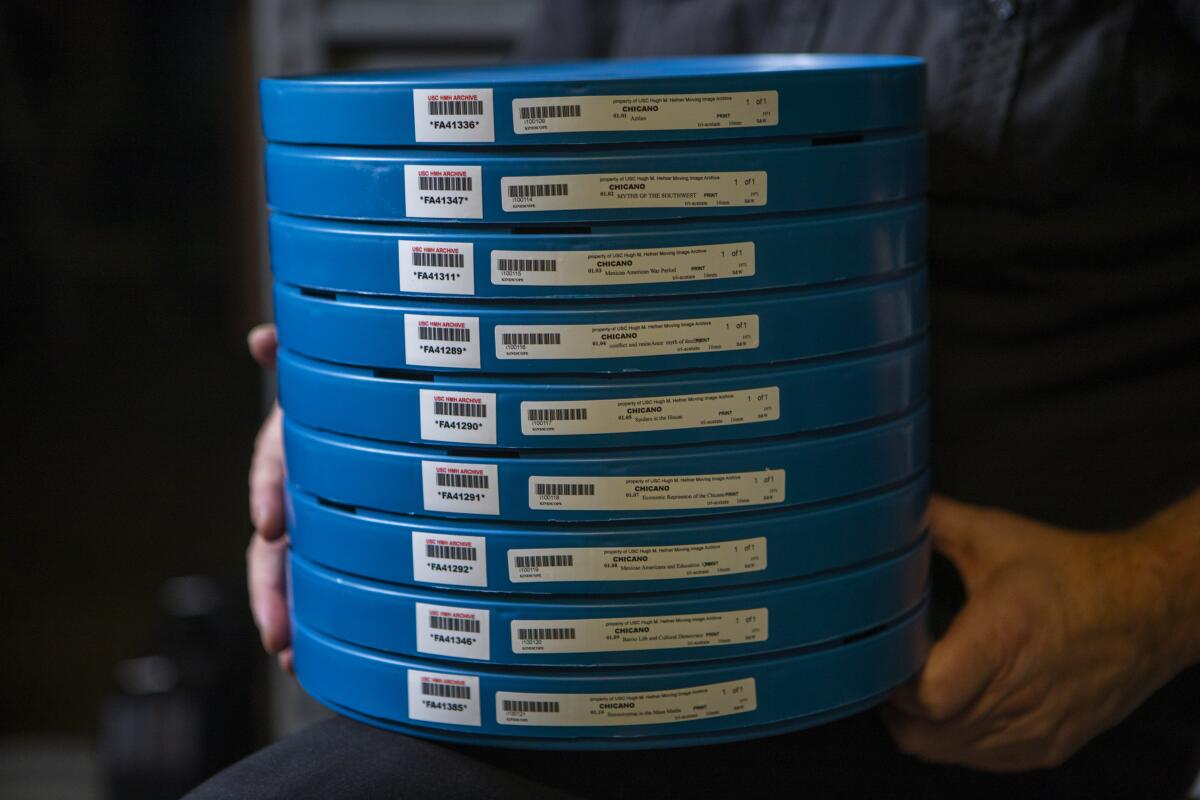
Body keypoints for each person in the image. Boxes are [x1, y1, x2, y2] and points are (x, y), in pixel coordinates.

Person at [190, 1, 1200, 797]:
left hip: (993, 679)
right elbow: (509, 177)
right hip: (552, 644)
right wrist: (360, 414)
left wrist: (1152, 597)